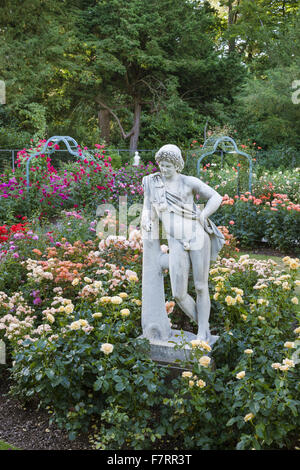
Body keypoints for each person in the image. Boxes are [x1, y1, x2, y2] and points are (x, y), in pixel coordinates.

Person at [141, 144, 224, 342]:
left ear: (177, 165)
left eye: (168, 165)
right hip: (175, 241)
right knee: (179, 293)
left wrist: (203, 215)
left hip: (196, 236)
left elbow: (216, 197)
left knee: (201, 286)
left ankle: (202, 331)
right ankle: (205, 326)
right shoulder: (152, 183)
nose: (163, 169)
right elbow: (147, 205)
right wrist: (146, 217)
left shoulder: (188, 182)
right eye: (161, 165)